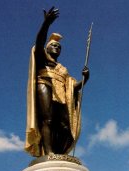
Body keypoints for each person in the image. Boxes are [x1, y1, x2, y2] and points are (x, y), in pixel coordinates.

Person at [25, 7, 89, 157]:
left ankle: (60, 152)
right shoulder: (42, 59)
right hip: (44, 84)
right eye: (53, 45)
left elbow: (73, 88)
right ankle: (49, 153)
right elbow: (39, 42)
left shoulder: (63, 70)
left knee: (64, 126)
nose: (57, 47)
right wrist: (46, 23)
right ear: (47, 49)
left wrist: (85, 79)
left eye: (59, 47)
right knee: (47, 119)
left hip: (61, 93)